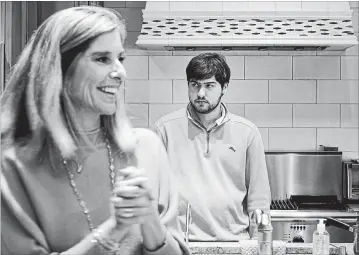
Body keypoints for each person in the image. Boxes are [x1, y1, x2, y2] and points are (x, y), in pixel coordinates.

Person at [1, 6, 191, 255]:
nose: (120, 73)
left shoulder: (147, 148)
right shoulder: (13, 165)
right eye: (102, 59)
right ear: (59, 69)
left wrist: (149, 220)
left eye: (120, 59)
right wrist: (115, 229)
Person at [152, 53, 271, 241]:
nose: (200, 93)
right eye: (195, 85)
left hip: (235, 243)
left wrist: (258, 244)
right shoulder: (164, 129)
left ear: (224, 87)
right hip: (181, 243)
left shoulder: (247, 132)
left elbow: (259, 199)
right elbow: (152, 194)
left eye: (209, 85)